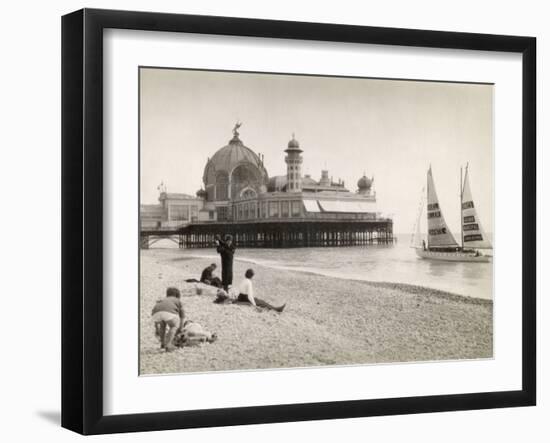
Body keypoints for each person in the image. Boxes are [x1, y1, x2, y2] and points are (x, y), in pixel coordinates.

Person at [151, 287, 185, 352]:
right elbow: (182, 316)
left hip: (156, 313)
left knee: (162, 326)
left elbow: (155, 312)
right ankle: (168, 345)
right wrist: (180, 328)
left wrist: (156, 328)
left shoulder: (162, 300)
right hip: (168, 313)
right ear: (177, 295)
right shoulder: (177, 300)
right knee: (173, 326)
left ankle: (162, 344)